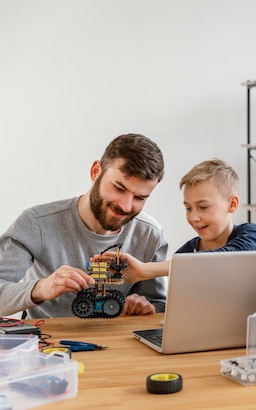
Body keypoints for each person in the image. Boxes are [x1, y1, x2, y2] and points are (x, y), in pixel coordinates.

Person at [0, 133, 169, 319]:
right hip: (48, 342)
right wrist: (40, 288)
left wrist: (146, 307)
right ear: (95, 171)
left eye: (140, 198)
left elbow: (158, 305)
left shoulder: (151, 235)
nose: (126, 206)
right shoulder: (36, 223)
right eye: (119, 188)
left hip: (119, 343)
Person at [107, 158, 256, 283]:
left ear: (232, 204)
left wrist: (145, 270)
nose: (193, 217)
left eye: (203, 207)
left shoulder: (251, 234)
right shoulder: (185, 254)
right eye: (188, 208)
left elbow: (228, 258)